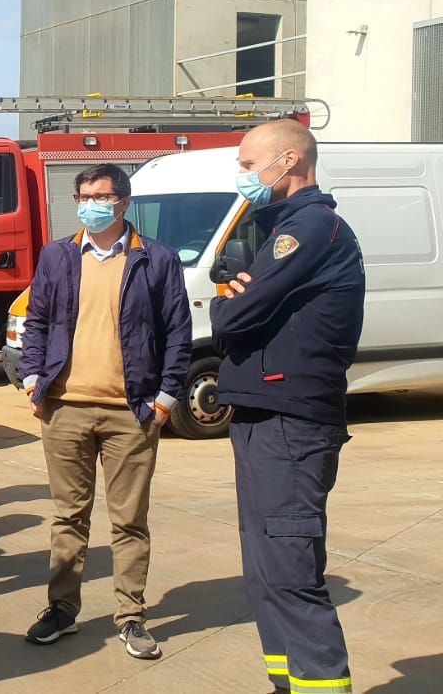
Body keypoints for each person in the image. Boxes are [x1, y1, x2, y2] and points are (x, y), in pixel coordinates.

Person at [17, 163, 192, 659]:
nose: (90, 203)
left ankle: (131, 616)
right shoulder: (58, 256)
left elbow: (177, 333)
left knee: (128, 521)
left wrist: (166, 398)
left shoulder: (155, 260)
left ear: (123, 201)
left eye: (101, 195)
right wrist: (33, 379)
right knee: (68, 517)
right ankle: (61, 610)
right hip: (65, 409)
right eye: (83, 195)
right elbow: (37, 319)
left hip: (130, 413)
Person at [211, 120, 362, 694]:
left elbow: (229, 318)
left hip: (290, 421)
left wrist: (236, 302)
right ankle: (289, 683)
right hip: (263, 415)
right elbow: (233, 309)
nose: (243, 175)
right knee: (267, 574)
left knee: (291, 573)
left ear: (291, 160)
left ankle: (321, 684)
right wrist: (237, 299)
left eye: (250, 164)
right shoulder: (278, 227)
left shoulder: (309, 227)